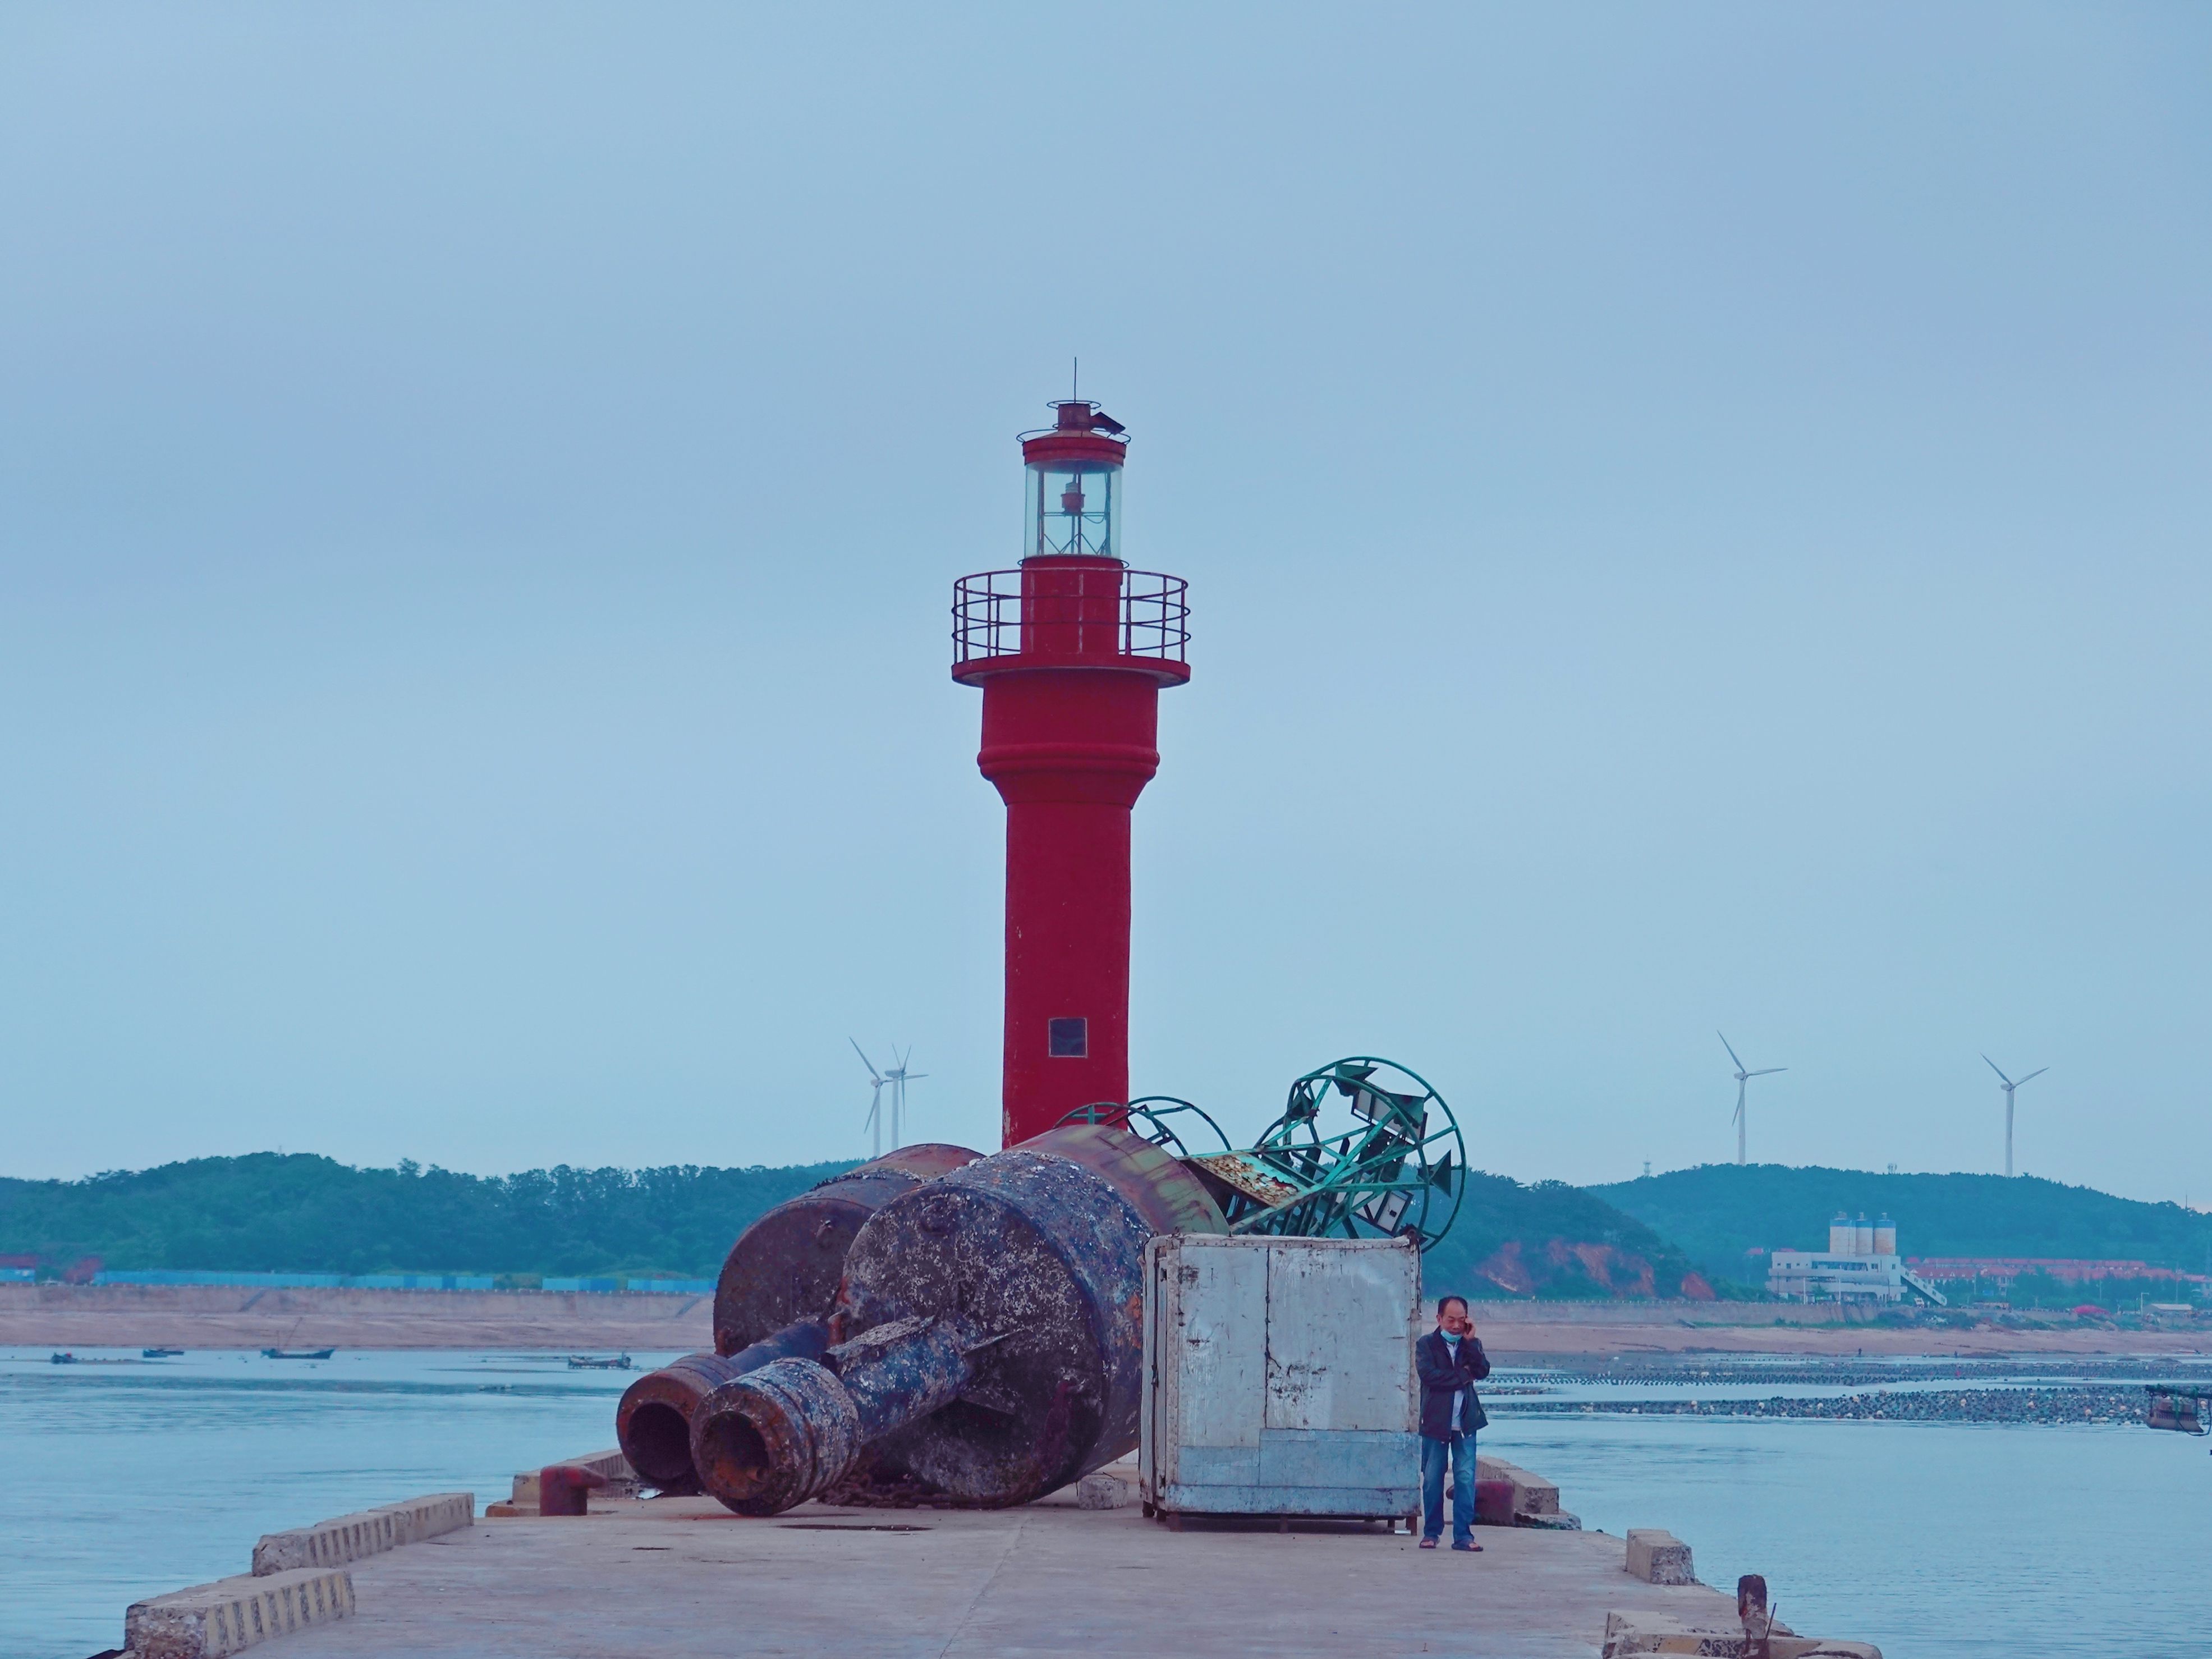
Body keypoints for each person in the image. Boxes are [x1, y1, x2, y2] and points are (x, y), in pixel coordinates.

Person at [1415, 1293, 1489, 1551]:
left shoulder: (1469, 1344)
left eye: (1461, 1320)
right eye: (1450, 1320)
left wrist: (1471, 1343)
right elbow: (1431, 1377)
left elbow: (1482, 1371)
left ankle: (1463, 1537)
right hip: (1435, 1424)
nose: (1456, 1326)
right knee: (1433, 1478)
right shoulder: (1426, 1345)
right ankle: (1431, 1533)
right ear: (1439, 1319)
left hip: (1466, 1424)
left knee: (1465, 1479)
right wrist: (1463, 1376)